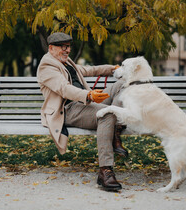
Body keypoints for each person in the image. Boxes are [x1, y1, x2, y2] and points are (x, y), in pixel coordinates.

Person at [37, 32, 128, 191]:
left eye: (68, 46)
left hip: (84, 103)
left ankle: (115, 131)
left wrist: (112, 69)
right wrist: (88, 95)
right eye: (62, 47)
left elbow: (88, 70)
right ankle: (105, 171)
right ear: (51, 48)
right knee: (107, 114)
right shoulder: (46, 67)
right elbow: (64, 88)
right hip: (68, 109)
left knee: (122, 83)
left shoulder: (65, 62)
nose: (67, 50)